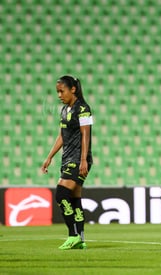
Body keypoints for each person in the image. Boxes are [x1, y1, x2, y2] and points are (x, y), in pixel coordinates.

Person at [41, 75, 93, 250]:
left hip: (78, 159)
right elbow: (62, 136)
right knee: (74, 198)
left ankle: (73, 235)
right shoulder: (64, 110)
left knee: (61, 194)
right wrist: (50, 156)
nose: (59, 95)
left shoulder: (83, 109)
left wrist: (83, 159)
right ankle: (82, 239)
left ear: (73, 89)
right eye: (57, 92)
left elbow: (86, 134)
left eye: (61, 91)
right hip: (68, 159)